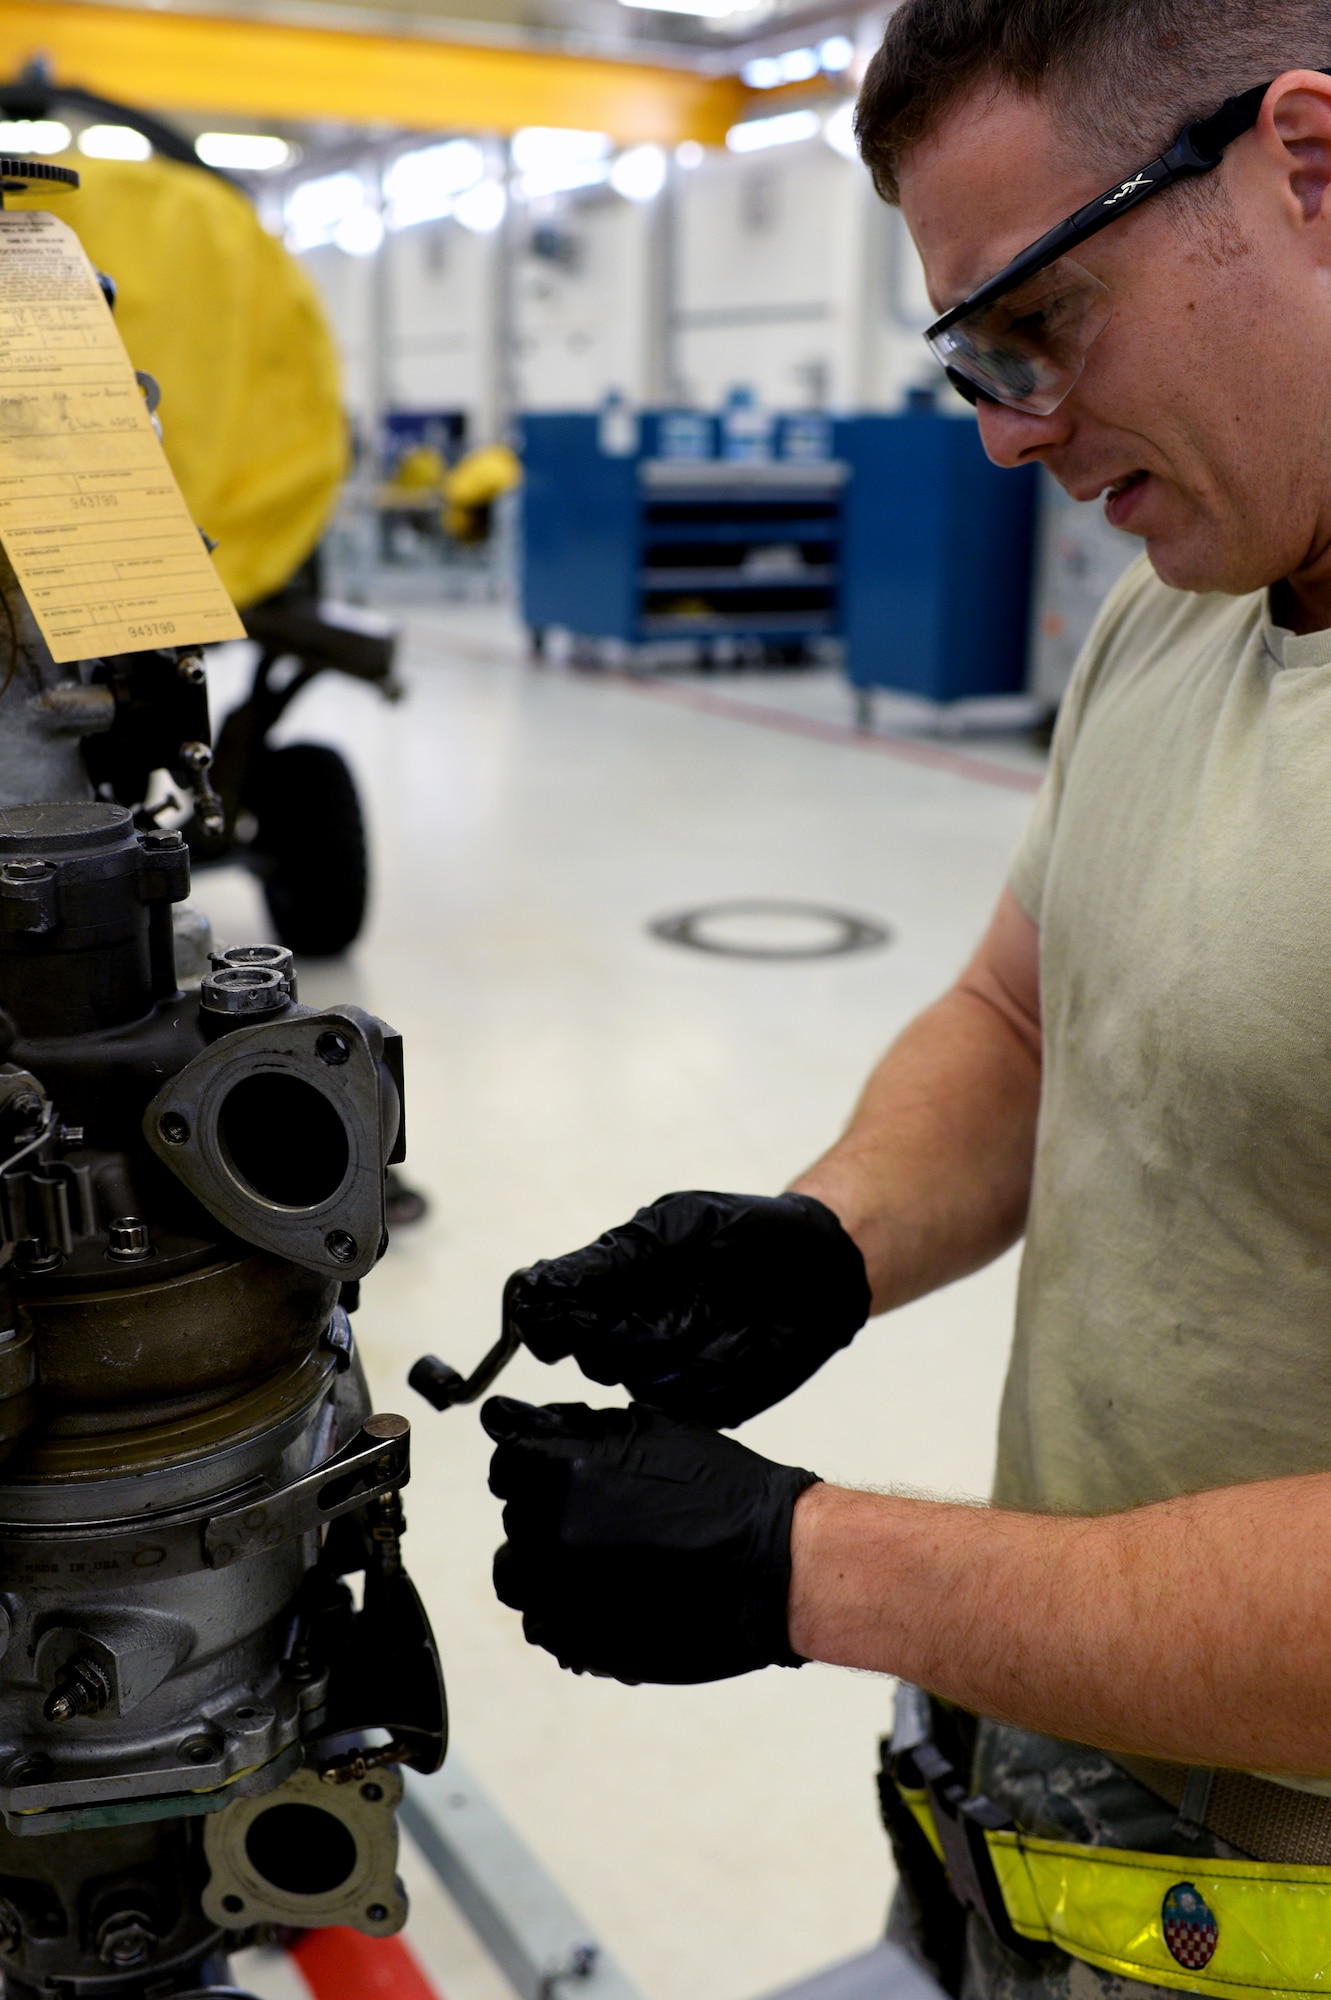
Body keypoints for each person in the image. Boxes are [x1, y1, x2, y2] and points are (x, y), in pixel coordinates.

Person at [479, 4, 1331, 1994]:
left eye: (1044, 325)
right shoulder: (1185, 606)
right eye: (972, 359)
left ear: (1307, 163)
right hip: (1044, 1821)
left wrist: (813, 1562)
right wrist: (819, 1243)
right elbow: (1030, 1020)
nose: (1009, 431)